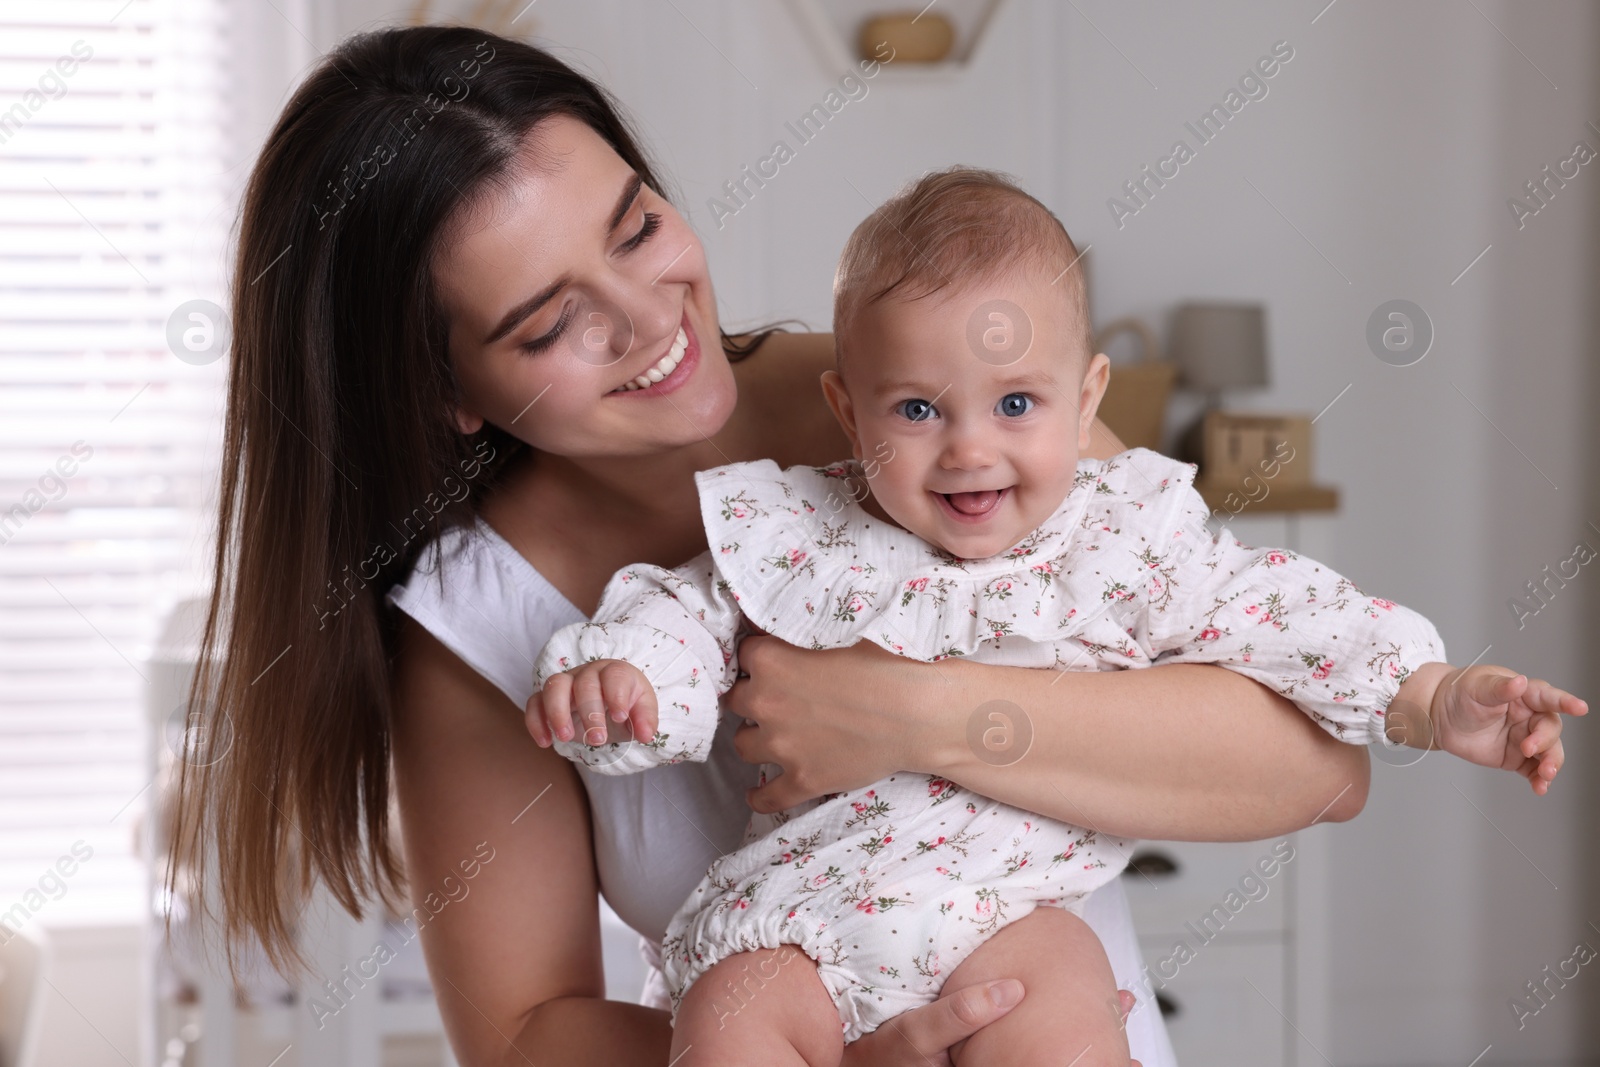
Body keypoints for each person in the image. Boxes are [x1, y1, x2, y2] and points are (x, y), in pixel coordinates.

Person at [170, 26, 1523, 1067]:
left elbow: (1313, 761)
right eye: (547, 323)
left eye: (638, 226)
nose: (649, 320)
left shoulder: (936, 414)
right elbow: (530, 1032)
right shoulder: (482, 616)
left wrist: (913, 710)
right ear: (446, 389)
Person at [526, 168, 1584, 1066]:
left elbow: (1292, 615)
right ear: (850, 409)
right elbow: (682, 611)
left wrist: (1434, 695)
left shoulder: (1123, 542)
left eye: (1016, 404)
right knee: (724, 1020)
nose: (970, 448)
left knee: (1067, 1015)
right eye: (918, 409)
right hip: (799, 914)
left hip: (1009, 914)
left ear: (1087, 400)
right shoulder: (796, 526)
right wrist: (628, 682)